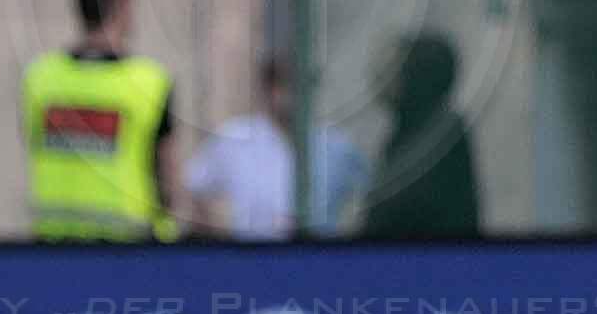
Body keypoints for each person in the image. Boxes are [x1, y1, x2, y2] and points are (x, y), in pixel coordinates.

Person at [23, 0, 181, 243]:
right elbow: (167, 178)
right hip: (127, 250)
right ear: (122, 5)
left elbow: (33, 144)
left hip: (52, 248)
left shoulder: (40, 77)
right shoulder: (151, 82)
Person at [181, 50, 367, 241]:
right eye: (282, 84)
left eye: (299, 84)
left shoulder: (336, 146)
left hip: (317, 256)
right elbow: (193, 186)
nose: (290, 95)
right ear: (267, 89)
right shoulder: (235, 139)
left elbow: (369, 192)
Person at [359, 34, 484, 241]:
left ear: (416, 77)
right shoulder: (406, 131)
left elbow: (403, 206)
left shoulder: (440, 133)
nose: (382, 78)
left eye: (394, 70)